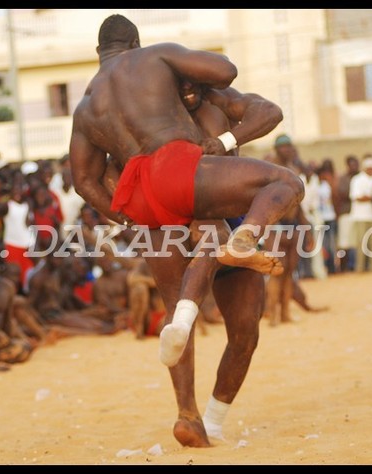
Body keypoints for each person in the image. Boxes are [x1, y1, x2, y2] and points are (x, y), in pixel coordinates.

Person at [70, 15, 303, 448]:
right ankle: (243, 241)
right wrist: (182, 66)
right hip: (191, 187)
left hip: (155, 206)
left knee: (206, 315)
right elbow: (225, 68)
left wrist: (128, 215)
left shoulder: (89, 105)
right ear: (137, 45)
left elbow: (83, 180)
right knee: (276, 194)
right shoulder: (159, 63)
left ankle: (194, 417)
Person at [349, 156, 372, 272]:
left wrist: (370, 197)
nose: (371, 170)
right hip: (360, 216)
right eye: (369, 168)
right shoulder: (357, 180)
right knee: (361, 243)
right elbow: (357, 197)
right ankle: (360, 267)